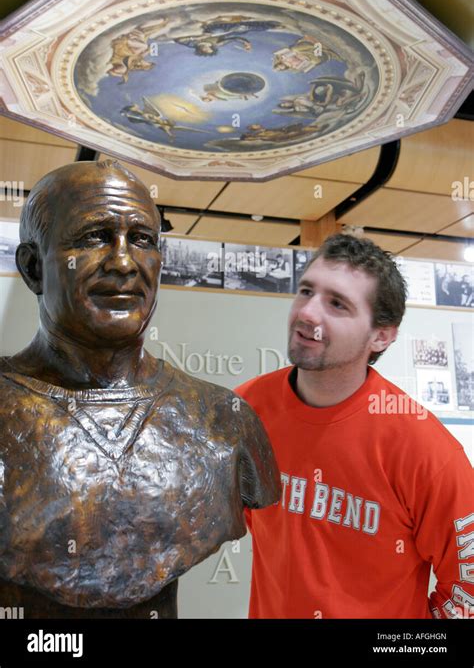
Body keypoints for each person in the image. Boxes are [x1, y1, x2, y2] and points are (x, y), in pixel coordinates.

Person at [0, 159, 280, 619]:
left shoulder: (224, 422)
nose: (125, 262)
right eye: (95, 237)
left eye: (143, 240)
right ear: (33, 267)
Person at [235, 234, 474, 619]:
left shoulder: (427, 450)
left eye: (337, 304)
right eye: (306, 291)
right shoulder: (245, 411)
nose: (308, 313)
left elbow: (469, 590)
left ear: (381, 335)